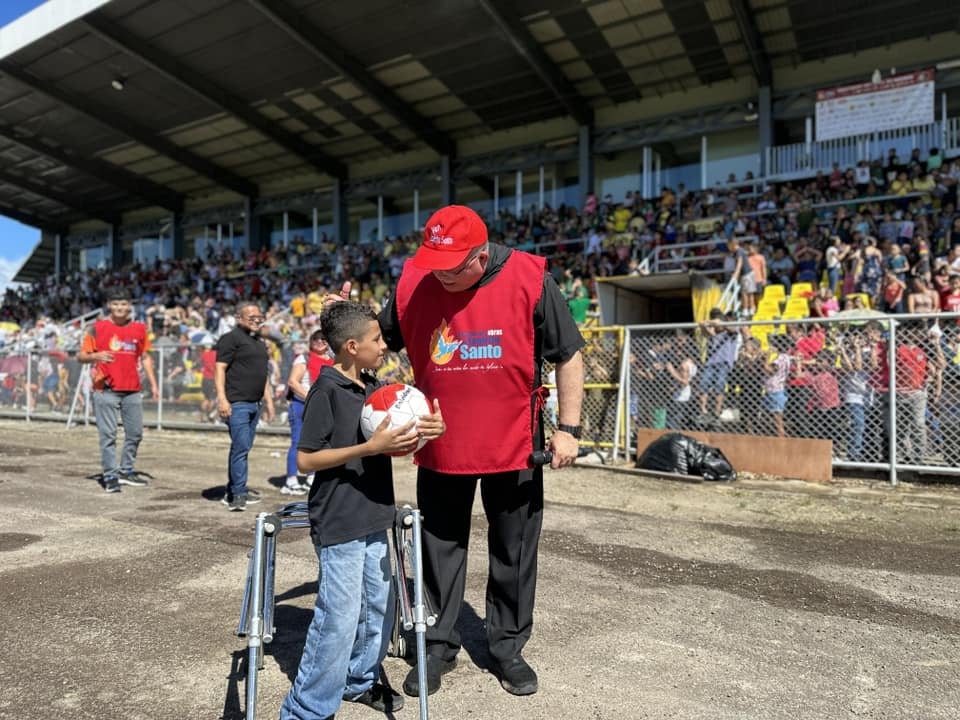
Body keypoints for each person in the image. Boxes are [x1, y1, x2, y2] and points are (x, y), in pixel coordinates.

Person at [376, 204, 585, 698]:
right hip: (440, 440)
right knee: (438, 547)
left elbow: (569, 353)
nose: (440, 276)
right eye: (433, 265)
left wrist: (569, 428)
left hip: (516, 444)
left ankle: (508, 647)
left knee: (513, 549)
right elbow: (376, 343)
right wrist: (339, 321)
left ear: (480, 254)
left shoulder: (531, 279)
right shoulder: (414, 283)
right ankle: (435, 644)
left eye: (451, 267)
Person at [280, 301, 446, 720]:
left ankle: (358, 681)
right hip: (339, 519)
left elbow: (395, 433)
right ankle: (306, 709)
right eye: (377, 339)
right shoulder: (326, 390)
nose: (385, 345)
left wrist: (429, 429)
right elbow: (306, 460)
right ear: (352, 346)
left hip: (376, 513)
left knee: (377, 609)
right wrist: (369, 449)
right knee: (337, 618)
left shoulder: (371, 386)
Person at [77, 287, 158, 492]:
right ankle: (110, 475)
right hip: (105, 389)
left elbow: (146, 357)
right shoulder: (97, 328)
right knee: (108, 435)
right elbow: (81, 356)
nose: (120, 308)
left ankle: (126, 470)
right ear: (109, 306)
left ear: (129, 306)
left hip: (132, 389)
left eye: (123, 304)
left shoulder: (140, 329)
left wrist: (154, 384)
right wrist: (95, 356)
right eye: (115, 304)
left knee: (135, 433)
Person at [215, 302, 275, 511]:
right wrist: (222, 399)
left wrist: (268, 402)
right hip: (237, 403)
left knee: (243, 448)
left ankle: (234, 488)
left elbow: (263, 374)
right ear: (239, 318)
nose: (257, 320)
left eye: (260, 316)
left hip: (255, 404)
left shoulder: (259, 342)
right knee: (240, 448)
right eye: (252, 317)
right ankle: (237, 495)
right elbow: (220, 369)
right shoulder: (230, 339)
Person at [282, 329, 333, 495]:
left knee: (316, 443)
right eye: (316, 339)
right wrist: (312, 398)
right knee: (297, 442)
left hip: (320, 408)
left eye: (323, 338)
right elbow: (293, 382)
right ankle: (291, 480)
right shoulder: (304, 358)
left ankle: (311, 477)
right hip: (300, 406)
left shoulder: (332, 361)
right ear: (310, 342)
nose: (319, 341)